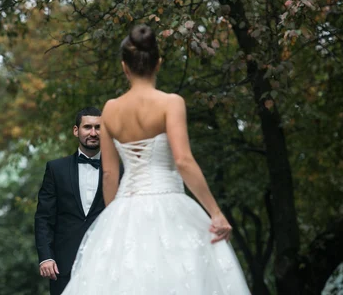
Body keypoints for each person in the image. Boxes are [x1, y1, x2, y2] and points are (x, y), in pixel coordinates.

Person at [61, 25, 251, 294]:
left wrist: (113, 221)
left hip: (125, 204)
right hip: (170, 202)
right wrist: (216, 213)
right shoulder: (170, 103)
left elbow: (109, 175)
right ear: (158, 63)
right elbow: (183, 160)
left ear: (124, 67)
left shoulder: (111, 110)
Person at [34, 107, 106, 295]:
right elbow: (44, 217)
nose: (93, 133)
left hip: (106, 262)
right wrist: (46, 257)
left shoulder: (117, 171)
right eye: (87, 127)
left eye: (98, 127)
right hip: (63, 266)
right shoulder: (56, 169)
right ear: (76, 131)